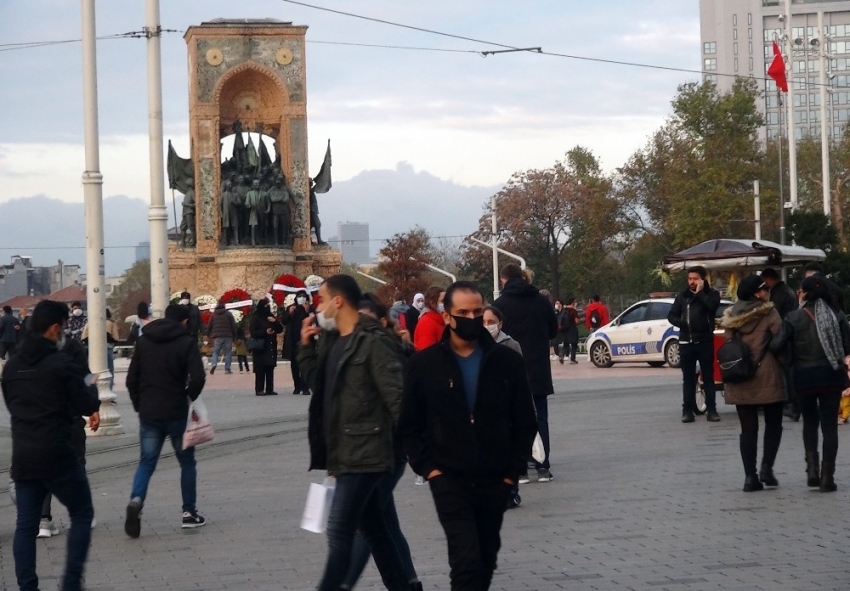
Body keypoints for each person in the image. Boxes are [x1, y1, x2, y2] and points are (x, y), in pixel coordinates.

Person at [399, 281, 537, 590]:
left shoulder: (507, 361)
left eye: (477, 311)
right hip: (449, 478)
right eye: (462, 312)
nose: (471, 318)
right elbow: (408, 426)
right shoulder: (423, 365)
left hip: (495, 478)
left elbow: (525, 421)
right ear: (447, 316)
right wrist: (431, 470)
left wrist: (511, 472)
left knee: (486, 558)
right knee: (465, 559)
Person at [297, 274, 411, 591]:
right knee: (377, 532)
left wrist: (417, 451)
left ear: (338, 300)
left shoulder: (373, 342)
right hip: (343, 452)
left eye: (320, 299)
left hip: (366, 454)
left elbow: (397, 398)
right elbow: (320, 387)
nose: (316, 306)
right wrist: (306, 348)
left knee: (339, 532)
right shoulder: (335, 341)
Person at [2, 300, 101, 591]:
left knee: (25, 526)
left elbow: (12, 405)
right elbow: (86, 403)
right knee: (82, 513)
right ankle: (71, 583)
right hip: (58, 455)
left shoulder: (11, 368)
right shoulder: (61, 364)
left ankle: (27, 587)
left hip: (24, 457)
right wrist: (92, 386)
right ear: (54, 328)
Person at [341, 294, 421, 591]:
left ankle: (342, 583)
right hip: (365, 452)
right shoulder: (351, 349)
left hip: (386, 452)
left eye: (366, 318)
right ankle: (409, 582)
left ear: (383, 321)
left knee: (366, 524)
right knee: (385, 522)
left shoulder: (390, 352)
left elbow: (398, 404)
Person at [124, 304, 207, 538]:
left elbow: (132, 379)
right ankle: (189, 513)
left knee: (146, 463)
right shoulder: (187, 342)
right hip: (177, 411)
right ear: (183, 322)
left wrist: (139, 403)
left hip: (149, 411)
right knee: (187, 462)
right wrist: (189, 396)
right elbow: (198, 377)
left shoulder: (144, 340)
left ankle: (137, 499)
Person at [776, 275, 850, 492]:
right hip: (830, 376)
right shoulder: (837, 316)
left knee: (809, 423)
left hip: (803, 377)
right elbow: (847, 346)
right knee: (829, 427)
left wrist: (788, 360)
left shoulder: (793, 317)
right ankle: (828, 478)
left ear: (804, 293)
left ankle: (812, 471)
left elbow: (778, 343)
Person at [719, 275, 787, 492]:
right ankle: (767, 467)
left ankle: (750, 477)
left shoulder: (731, 316)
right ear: (757, 294)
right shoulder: (769, 312)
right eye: (764, 289)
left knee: (747, 428)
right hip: (768, 374)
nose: (767, 291)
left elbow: (729, 344)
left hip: (740, 376)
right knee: (774, 423)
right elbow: (780, 340)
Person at [494, 263, 558, 483]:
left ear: (504, 280)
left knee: (512, 418)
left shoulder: (500, 304)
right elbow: (553, 329)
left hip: (510, 370)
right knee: (540, 416)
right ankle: (543, 466)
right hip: (538, 367)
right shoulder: (541, 301)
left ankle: (519, 468)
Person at [668, 266, 722, 423]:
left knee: (708, 377)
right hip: (686, 342)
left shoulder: (711, 295)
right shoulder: (682, 297)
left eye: (695, 279)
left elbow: (712, 308)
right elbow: (671, 315)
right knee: (688, 379)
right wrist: (682, 323)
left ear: (703, 279)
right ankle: (687, 410)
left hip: (705, 341)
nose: (692, 282)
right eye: (690, 279)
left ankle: (712, 410)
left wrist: (699, 293)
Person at [483, 305, 524, 509]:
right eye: (483, 322)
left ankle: (511, 492)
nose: (487, 326)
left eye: (491, 322)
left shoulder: (510, 344)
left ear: (500, 324)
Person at [761, 268, 800, 422]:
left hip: (783, 336)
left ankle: (793, 405)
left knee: (787, 371)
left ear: (769, 280)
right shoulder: (787, 291)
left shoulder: (778, 294)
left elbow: (774, 316)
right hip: (788, 335)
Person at [249, 299, 283, 396]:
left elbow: (280, 329)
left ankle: (270, 389)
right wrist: (265, 332)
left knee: (270, 367)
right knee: (260, 369)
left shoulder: (270, 317)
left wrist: (275, 321)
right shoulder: (255, 318)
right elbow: (253, 332)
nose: (267, 308)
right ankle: (259, 389)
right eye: (265, 306)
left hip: (271, 345)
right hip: (261, 347)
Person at [81, 308, 121, 389]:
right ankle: (109, 390)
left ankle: (89, 389)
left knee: (91, 370)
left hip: (92, 349)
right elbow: (116, 338)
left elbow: (83, 337)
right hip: (108, 348)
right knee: (109, 370)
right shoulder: (111, 323)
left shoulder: (89, 323)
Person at [281, 290, 312, 394]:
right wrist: (289, 312)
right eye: (299, 296)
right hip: (293, 341)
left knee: (305, 365)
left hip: (305, 341)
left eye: (303, 296)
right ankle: (297, 386)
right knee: (294, 366)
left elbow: (314, 321)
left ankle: (305, 387)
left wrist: (308, 311)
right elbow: (284, 320)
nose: (301, 298)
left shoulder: (309, 308)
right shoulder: (292, 308)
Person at [207, 302, 238, 375]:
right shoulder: (228, 314)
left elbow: (209, 325)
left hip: (217, 336)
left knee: (216, 352)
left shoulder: (213, 315)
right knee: (228, 352)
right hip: (228, 336)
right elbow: (233, 325)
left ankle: (214, 364)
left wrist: (208, 334)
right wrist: (235, 335)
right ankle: (227, 369)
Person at [412, 286, 446, 351]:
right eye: (443, 301)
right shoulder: (426, 323)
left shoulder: (439, 320)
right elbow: (427, 353)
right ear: (432, 303)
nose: (447, 304)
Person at [558, 298, 580, 364]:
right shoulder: (573, 311)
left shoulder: (564, 310)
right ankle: (573, 359)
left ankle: (561, 353)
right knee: (574, 344)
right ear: (572, 303)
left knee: (565, 344)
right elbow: (576, 321)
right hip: (572, 330)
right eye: (575, 302)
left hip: (565, 329)